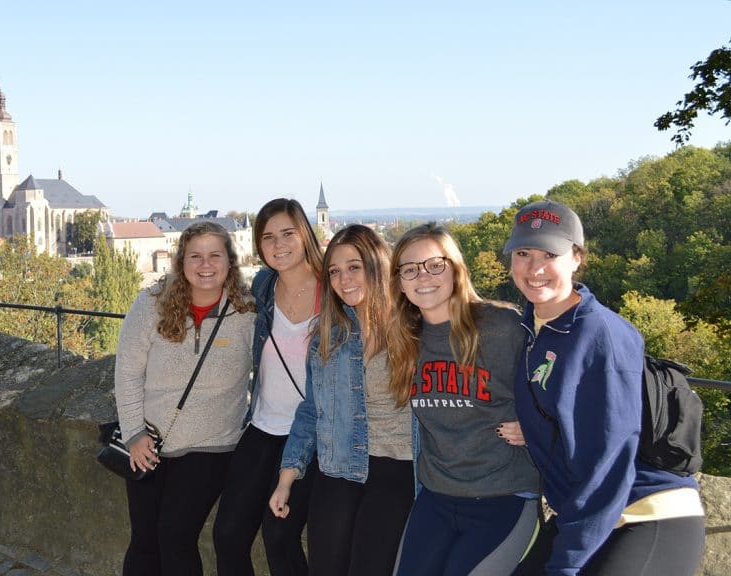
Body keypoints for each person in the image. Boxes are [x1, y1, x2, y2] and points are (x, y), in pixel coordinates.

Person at [505, 200, 705, 576]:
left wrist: (567, 564)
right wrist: (532, 429)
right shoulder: (533, 328)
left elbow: (609, 462)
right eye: (523, 253)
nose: (534, 269)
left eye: (550, 254)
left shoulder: (599, 334)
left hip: (646, 512)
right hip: (588, 512)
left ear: (577, 258)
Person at [387, 223, 540, 575]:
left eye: (434, 264)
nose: (422, 276)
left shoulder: (502, 327)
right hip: (437, 497)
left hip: (505, 495)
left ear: (456, 269)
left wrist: (539, 424)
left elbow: (561, 383)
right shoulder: (406, 340)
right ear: (399, 282)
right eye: (409, 269)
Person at [269, 224, 413, 576]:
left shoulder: (414, 329)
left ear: (376, 265)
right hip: (338, 468)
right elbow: (311, 410)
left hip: (396, 468)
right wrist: (288, 476)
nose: (343, 279)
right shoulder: (327, 335)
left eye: (354, 267)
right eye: (334, 271)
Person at [114, 221, 255, 576]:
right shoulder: (151, 305)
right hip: (149, 440)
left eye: (214, 255)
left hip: (210, 446)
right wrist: (134, 434)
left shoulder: (248, 313)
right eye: (195, 256)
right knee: (144, 541)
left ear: (229, 261)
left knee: (175, 536)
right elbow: (128, 372)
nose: (205, 265)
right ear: (181, 261)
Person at [214, 199, 322, 576]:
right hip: (262, 428)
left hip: (311, 436)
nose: (279, 244)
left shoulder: (335, 292)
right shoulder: (263, 287)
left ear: (305, 234)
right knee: (227, 536)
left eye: (288, 233)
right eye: (268, 237)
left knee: (280, 538)